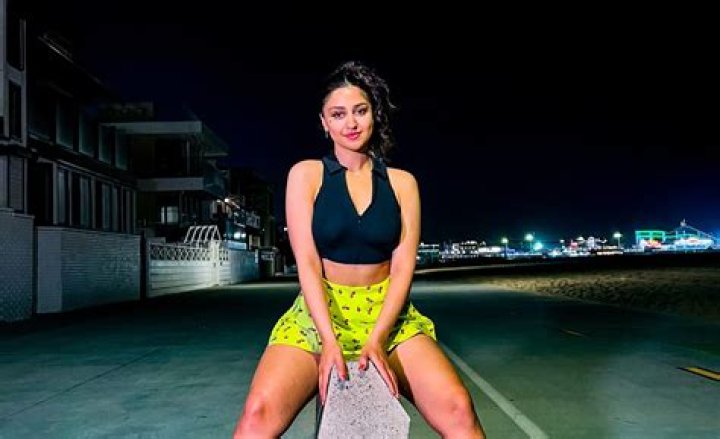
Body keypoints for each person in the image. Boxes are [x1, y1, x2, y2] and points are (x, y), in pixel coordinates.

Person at [234, 61, 486, 438]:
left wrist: (378, 337)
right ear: (324, 122)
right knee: (258, 414)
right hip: (320, 315)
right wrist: (328, 340)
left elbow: (402, 268)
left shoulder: (402, 183)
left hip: (387, 315)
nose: (350, 123)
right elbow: (307, 262)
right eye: (338, 114)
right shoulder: (306, 175)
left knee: (459, 408)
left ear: (373, 115)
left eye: (360, 111)